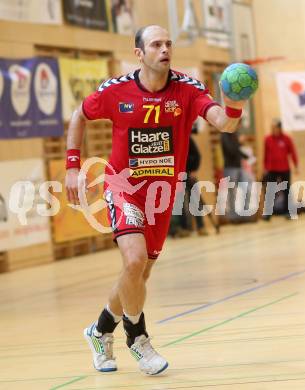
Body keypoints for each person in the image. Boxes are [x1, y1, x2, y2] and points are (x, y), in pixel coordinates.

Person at [65, 25, 247, 375]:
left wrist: (234, 104)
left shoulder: (188, 89)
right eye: (156, 44)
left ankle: (100, 330)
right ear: (139, 53)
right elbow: (80, 116)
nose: (164, 49)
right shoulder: (116, 90)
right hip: (122, 188)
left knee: (139, 275)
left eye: (168, 43)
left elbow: (223, 123)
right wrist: (73, 165)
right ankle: (138, 338)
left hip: (161, 197)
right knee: (133, 262)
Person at [263, 119, 299, 220]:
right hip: (272, 169)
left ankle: (287, 212)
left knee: (286, 190)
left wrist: (296, 166)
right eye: (272, 127)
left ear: (279, 128)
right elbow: (265, 155)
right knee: (270, 190)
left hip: (284, 168)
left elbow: (293, 153)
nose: (273, 129)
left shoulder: (287, 139)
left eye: (275, 127)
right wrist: (265, 167)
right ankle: (268, 213)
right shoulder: (267, 139)